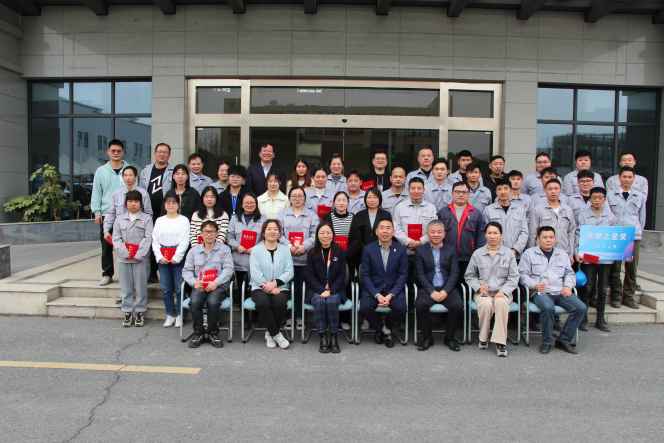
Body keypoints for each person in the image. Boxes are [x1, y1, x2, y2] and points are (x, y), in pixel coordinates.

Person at [519, 226, 586, 355]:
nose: (548, 240)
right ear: (538, 239)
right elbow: (522, 275)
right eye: (545, 237)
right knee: (548, 307)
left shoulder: (562, 254)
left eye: (551, 237)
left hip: (560, 291)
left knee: (580, 308)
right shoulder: (529, 254)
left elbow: (569, 273)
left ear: (555, 239)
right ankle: (547, 342)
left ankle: (564, 339)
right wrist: (534, 285)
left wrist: (568, 286)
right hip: (540, 292)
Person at [465, 222, 519, 358]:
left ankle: (500, 342)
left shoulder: (508, 254)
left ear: (501, 235)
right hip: (484, 292)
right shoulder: (478, 253)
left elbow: (514, 277)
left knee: (500, 303)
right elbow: (469, 276)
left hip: (502, 292)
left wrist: (504, 291)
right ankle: (483, 337)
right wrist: (479, 287)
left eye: (495, 233)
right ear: (485, 235)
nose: (492, 236)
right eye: (489, 233)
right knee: (486, 304)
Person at [182, 220, 235, 348]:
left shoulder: (224, 249)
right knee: (195, 302)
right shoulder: (193, 251)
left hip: (218, 286)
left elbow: (229, 269)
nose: (209, 234)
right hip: (200, 285)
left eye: (212, 232)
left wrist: (216, 282)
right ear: (201, 233)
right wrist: (194, 282)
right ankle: (198, 333)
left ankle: (213, 334)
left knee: (213, 302)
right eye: (206, 231)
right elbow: (186, 271)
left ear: (217, 234)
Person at [414, 220, 463, 352]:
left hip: (447, 287)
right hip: (428, 288)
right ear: (428, 233)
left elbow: (454, 273)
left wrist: (445, 291)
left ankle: (450, 338)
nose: (436, 234)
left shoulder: (451, 249)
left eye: (439, 232)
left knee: (457, 305)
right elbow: (420, 274)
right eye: (433, 232)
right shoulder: (420, 250)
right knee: (421, 305)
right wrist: (431, 291)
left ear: (444, 234)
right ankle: (427, 338)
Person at [359, 219, 408, 348]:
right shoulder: (368, 249)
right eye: (382, 228)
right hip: (374, 289)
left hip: (393, 289)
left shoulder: (401, 249)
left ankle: (389, 327)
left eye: (388, 228)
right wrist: (377, 294)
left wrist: (391, 294)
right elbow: (365, 275)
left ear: (393, 232)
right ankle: (381, 329)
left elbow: (403, 275)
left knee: (401, 307)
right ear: (376, 232)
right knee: (365, 307)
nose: (385, 231)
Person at [249, 219, 294, 349]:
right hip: (259, 287)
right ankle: (276, 334)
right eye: (269, 229)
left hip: (280, 287)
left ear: (279, 233)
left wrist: (275, 284)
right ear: (263, 232)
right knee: (263, 302)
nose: (272, 231)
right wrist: (267, 286)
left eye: (275, 229)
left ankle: (270, 333)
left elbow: (289, 271)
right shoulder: (256, 250)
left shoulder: (285, 250)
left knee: (279, 302)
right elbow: (255, 273)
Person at [576, 187, 616, 332]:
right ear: (590, 199)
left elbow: (615, 237)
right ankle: (583, 319)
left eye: (600, 198)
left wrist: (622, 252)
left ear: (604, 199)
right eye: (594, 198)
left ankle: (600, 319)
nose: (597, 200)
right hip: (588, 257)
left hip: (605, 258)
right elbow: (578, 234)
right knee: (587, 287)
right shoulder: (583, 215)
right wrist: (577, 252)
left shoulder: (611, 217)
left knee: (603, 289)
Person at [112, 190, 153, 328]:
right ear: (126, 203)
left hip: (140, 259)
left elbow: (148, 238)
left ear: (141, 203)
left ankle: (140, 311)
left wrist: (138, 254)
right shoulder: (119, 219)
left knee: (141, 287)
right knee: (126, 287)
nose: (133, 204)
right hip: (123, 259)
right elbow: (116, 238)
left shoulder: (147, 219)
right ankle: (127, 311)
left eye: (136, 201)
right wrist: (125, 252)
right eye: (130, 201)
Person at [305, 222, 348, 354]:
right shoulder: (312, 252)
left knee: (332, 301)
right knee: (319, 301)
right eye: (322, 233)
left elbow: (342, 275)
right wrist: (321, 290)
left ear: (332, 234)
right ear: (317, 235)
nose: (325, 235)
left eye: (328, 232)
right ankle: (322, 336)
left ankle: (334, 336)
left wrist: (331, 290)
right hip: (316, 290)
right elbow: (309, 276)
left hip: (336, 289)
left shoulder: (339, 251)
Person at [392, 177, 438, 301]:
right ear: (408, 190)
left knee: (423, 281)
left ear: (424, 190)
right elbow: (396, 228)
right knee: (405, 281)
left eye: (419, 188)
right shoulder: (400, 207)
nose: (416, 191)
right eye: (413, 188)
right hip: (404, 252)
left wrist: (420, 242)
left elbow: (434, 229)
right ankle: (408, 306)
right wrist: (408, 241)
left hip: (425, 252)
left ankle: (421, 307)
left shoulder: (431, 208)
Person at [608, 166, 647, 310]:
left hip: (633, 235)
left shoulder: (639, 196)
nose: (627, 179)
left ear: (633, 179)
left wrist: (638, 232)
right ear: (619, 178)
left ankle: (629, 297)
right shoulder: (611, 195)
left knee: (631, 268)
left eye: (630, 177)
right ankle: (616, 297)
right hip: (617, 235)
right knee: (615, 268)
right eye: (624, 177)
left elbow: (642, 217)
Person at [280, 187, 318, 329]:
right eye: (294, 196)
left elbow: (315, 234)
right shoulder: (282, 214)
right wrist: (289, 246)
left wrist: (304, 247)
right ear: (289, 198)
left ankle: (300, 317)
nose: (297, 198)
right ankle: (288, 317)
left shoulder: (312, 215)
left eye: (300, 196)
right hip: (286, 259)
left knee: (302, 290)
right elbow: (278, 233)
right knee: (287, 289)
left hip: (305, 259)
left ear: (304, 198)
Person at [91, 139, 128, 286]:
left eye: (119, 151)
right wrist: (97, 212)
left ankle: (127, 274)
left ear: (123, 152)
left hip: (126, 213)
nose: (116, 153)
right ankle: (107, 274)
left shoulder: (129, 169)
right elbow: (96, 192)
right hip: (107, 214)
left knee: (127, 245)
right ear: (108, 152)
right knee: (106, 246)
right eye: (113, 151)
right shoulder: (101, 171)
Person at [152, 191, 190, 328]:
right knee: (166, 288)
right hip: (163, 257)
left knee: (179, 288)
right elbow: (155, 240)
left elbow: (185, 240)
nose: (171, 205)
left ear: (179, 204)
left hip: (178, 257)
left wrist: (177, 257)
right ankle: (170, 314)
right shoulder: (159, 220)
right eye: (168, 202)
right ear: (164, 204)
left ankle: (180, 314)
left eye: (174, 202)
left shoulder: (184, 220)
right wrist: (159, 256)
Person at [140, 143, 175, 284]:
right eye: (159, 151)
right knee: (149, 242)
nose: (162, 154)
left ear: (169, 155)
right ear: (155, 153)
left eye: (165, 152)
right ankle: (151, 273)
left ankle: (166, 273)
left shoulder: (173, 171)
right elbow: (141, 191)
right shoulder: (145, 171)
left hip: (165, 213)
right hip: (148, 213)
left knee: (164, 242)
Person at [437, 181, 486, 277]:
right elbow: (437, 236)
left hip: (469, 259)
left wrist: (478, 258)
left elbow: (481, 238)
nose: (460, 194)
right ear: (452, 193)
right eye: (457, 192)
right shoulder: (443, 212)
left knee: (467, 284)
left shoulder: (476, 213)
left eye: (464, 192)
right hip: (447, 259)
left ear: (468, 194)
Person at [103, 166, 153, 255]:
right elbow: (111, 213)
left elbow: (148, 213)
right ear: (122, 177)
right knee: (122, 257)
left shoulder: (143, 193)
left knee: (139, 257)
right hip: (121, 232)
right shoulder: (116, 194)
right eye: (125, 175)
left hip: (139, 233)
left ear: (135, 177)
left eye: (130, 175)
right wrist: (106, 230)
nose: (128, 178)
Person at [528, 178, 576, 261]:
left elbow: (571, 233)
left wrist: (571, 254)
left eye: (556, 188)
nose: (553, 191)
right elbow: (533, 234)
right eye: (550, 189)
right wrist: (532, 253)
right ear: (545, 191)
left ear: (560, 190)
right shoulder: (538, 209)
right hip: (542, 253)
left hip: (563, 252)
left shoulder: (567, 210)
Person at [348, 188, 392, 274]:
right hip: (361, 252)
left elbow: (389, 233)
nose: (372, 200)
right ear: (365, 199)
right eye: (369, 197)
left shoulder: (386, 215)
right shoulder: (359, 215)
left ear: (379, 199)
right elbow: (356, 236)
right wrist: (365, 249)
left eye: (375, 197)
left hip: (382, 251)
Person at [482, 179, 529, 257]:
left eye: (506, 188)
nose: (503, 192)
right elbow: (485, 233)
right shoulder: (488, 210)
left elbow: (524, 232)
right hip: (494, 254)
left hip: (515, 255)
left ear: (510, 191)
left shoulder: (520, 210)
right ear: (496, 192)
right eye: (499, 189)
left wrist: (515, 250)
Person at [227, 193, 264, 289]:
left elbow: (266, 239)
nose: (249, 205)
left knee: (253, 289)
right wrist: (237, 246)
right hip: (237, 260)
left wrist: (256, 248)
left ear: (256, 204)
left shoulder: (263, 219)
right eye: (246, 203)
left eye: (252, 202)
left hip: (256, 259)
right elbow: (229, 237)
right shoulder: (234, 218)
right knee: (238, 289)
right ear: (242, 205)